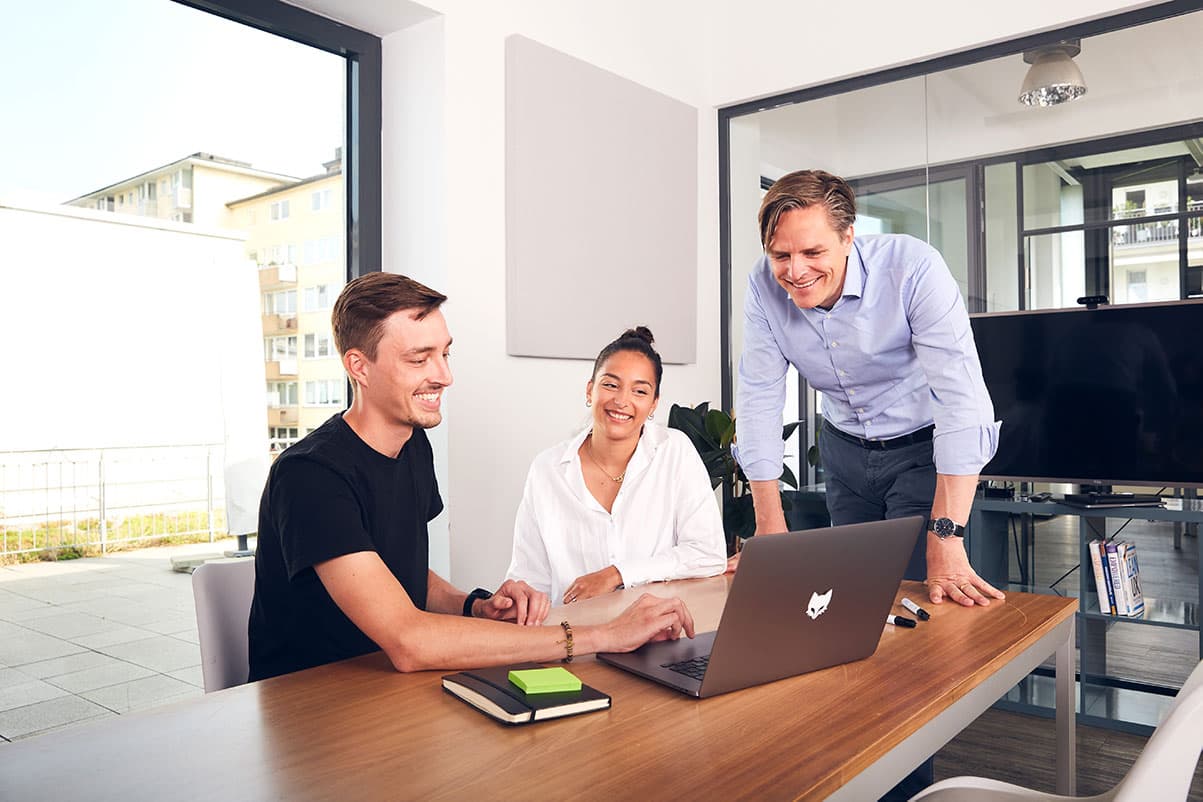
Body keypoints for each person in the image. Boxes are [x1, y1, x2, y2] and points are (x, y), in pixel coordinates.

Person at [248, 273, 695, 682]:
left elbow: (397, 574)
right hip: (312, 705)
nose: (444, 375)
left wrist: (475, 606)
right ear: (359, 367)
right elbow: (409, 640)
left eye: (445, 353)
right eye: (420, 358)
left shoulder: (411, 445)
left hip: (387, 684)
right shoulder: (310, 477)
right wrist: (602, 635)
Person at [734, 169, 1005, 610]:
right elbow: (759, 394)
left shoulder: (912, 268)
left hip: (920, 453)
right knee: (853, 600)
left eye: (812, 251)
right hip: (844, 454)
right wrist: (769, 524)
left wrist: (947, 534)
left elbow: (961, 398)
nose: (795, 270)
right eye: (780, 254)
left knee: (922, 595)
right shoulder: (763, 285)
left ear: (848, 238)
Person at [506, 327, 727, 605]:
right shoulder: (547, 469)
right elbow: (529, 576)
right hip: (574, 636)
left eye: (639, 391)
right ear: (590, 390)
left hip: (658, 634)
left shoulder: (674, 451)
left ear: (654, 403)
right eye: (610, 385)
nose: (622, 401)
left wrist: (618, 574)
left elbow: (708, 553)